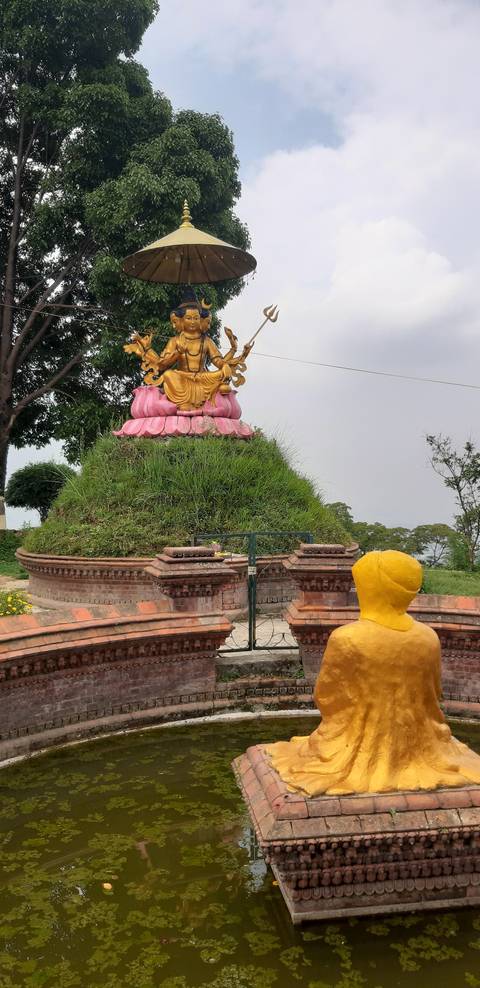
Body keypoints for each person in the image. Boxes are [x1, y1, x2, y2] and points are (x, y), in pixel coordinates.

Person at [266, 550, 480, 795]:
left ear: (371, 589)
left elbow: (326, 696)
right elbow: (433, 693)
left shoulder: (347, 638)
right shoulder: (428, 637)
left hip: (357, 740)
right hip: (421, 739)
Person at [125, 289, 252, 411]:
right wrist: (178, 353)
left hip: (203, 378)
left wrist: (225, 365)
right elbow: (162, 365)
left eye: (196, 318)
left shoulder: (206, 341)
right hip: (182, 377)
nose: (192, 322)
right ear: (179, 320)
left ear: (201, 320)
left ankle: (200, 403)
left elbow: (217, 361)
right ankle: (183, 402)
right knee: (169, 375)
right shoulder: (175, 341)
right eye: (189, 318)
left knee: (221, 373)